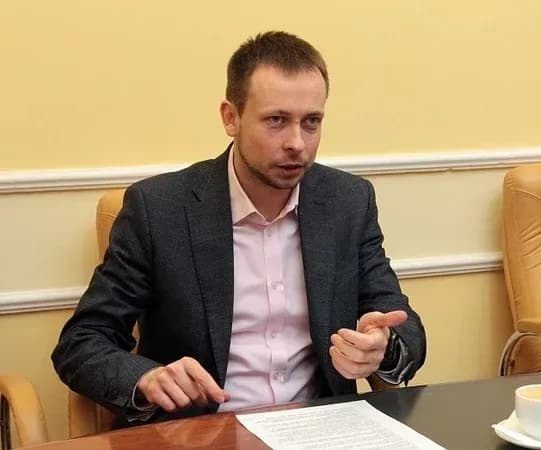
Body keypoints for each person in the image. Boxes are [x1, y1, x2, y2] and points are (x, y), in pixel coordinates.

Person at [52, 31, 426, 427]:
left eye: (311, 122)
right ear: (231, 117)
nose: (297, 143)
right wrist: (146, 378)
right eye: (276, 121)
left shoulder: (347, 202)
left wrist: (382, 347)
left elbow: (404, 326)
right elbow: (82, 342)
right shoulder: (159, 209)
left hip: (318, 429)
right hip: (200, 433)